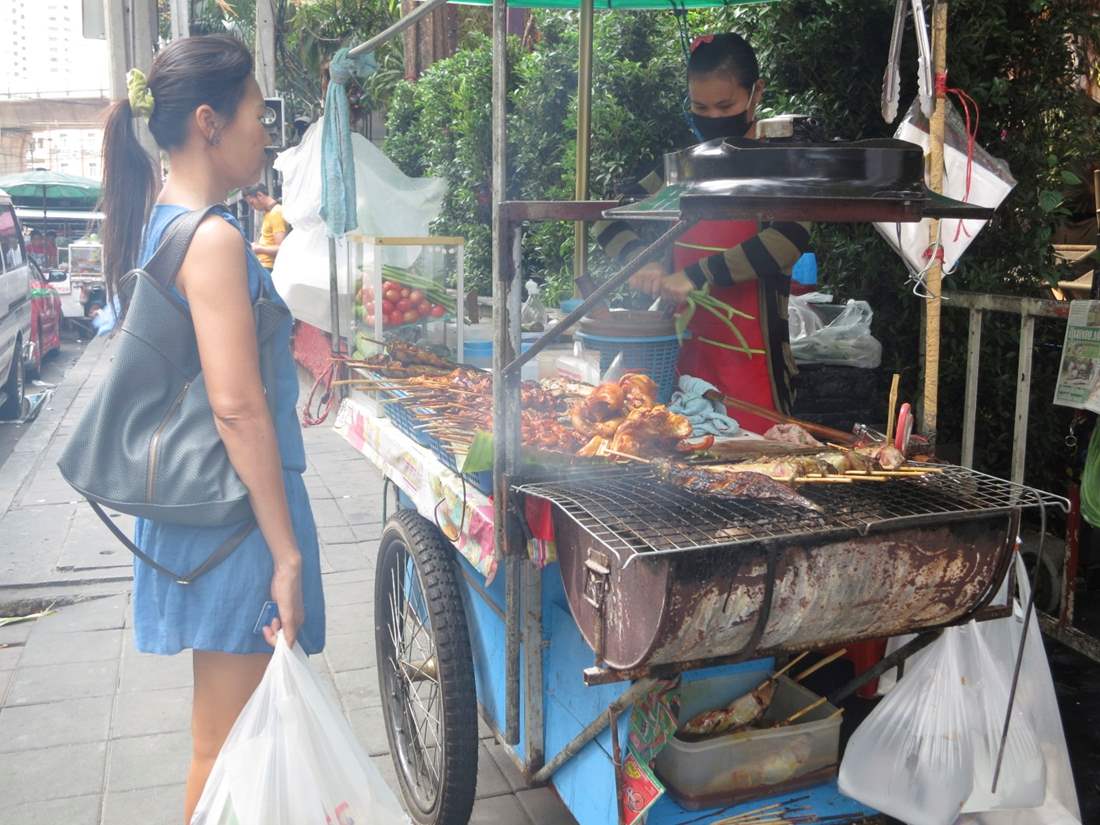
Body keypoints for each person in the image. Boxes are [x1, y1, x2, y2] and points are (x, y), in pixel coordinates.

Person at [100, 35, 325, 823]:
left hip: (210, 518)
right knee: (223, 744)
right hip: (237, 526)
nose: (267, 132)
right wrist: (287, 553)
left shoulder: (166, 221)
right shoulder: (215, 237)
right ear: (208, 121)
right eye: (259, 114)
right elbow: (236, 407)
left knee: (235, 741)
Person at [593, 33, 811, 435]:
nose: (712, 117)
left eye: (725, 106)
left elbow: (787, 241)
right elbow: (604, 217)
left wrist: (696, 275)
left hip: (756, 373)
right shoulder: (681, 170)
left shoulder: (781, 168)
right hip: (682, 367)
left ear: (756, 93)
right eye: (700, 107)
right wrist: (643, 259)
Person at [242, 182, 287, 271]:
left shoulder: (276, 213)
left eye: (252, 203)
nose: (252, 207)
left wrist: (259, 248)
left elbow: (281, 248)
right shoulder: (269, 213)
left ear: (259, 195)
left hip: (269, 267)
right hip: (263, 266)